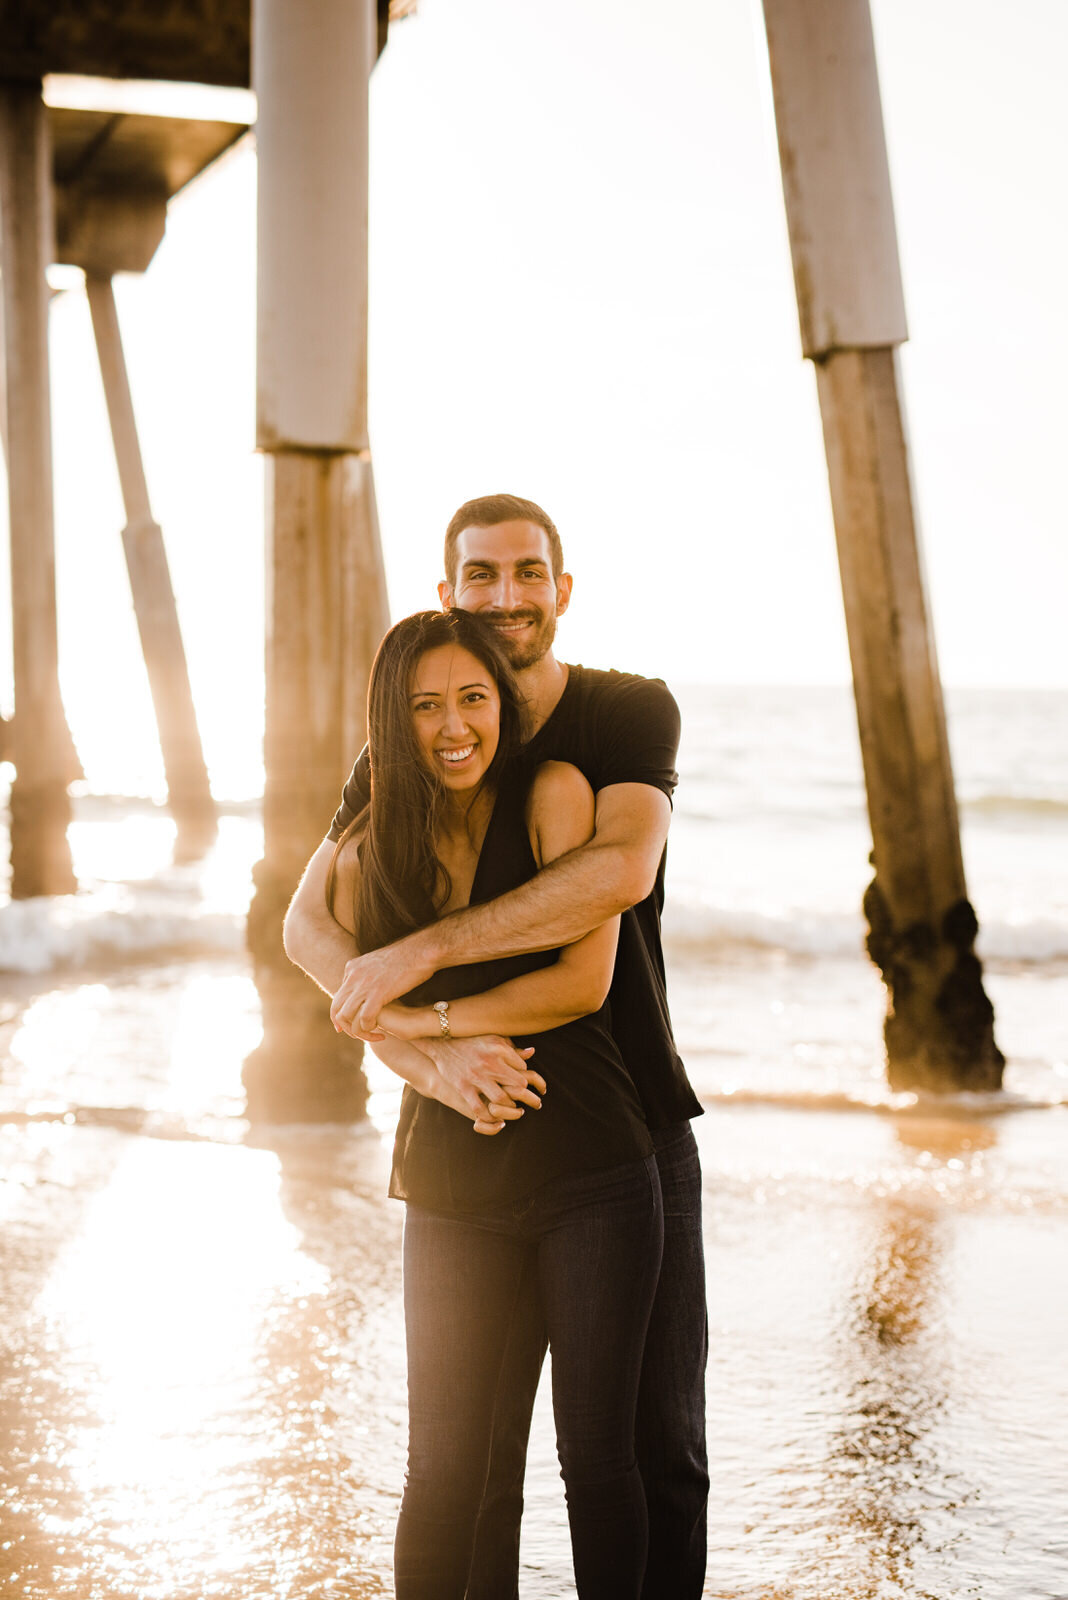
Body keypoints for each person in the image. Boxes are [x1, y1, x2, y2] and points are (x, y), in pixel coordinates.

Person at [283, 493, 709, 1599]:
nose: (506, 596)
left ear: (561, 591)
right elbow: (308, 927)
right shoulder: (406, 755)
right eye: (482, 577)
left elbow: (616, 880)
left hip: (631, 1119)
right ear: (449, 596)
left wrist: (418, 971)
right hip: (464, 1134)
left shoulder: (617, 721)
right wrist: (428, 1057)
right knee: (468, 1469)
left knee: (649, 1448)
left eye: (528, 574)